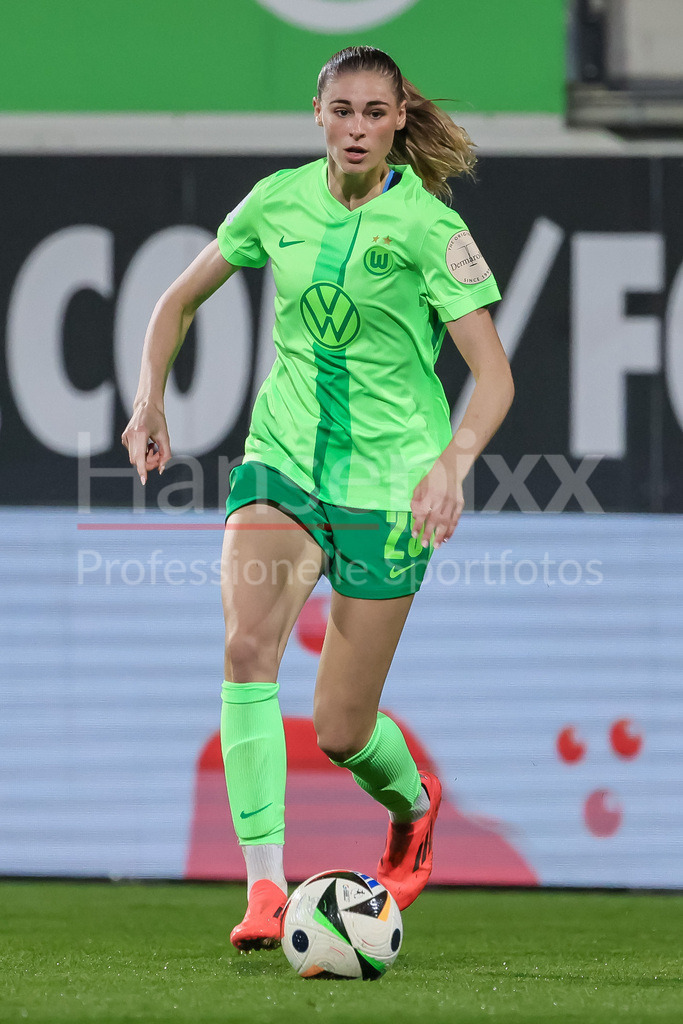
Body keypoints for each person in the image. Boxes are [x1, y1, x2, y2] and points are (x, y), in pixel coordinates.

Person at [122, 45, 514, 951]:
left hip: (389, 487)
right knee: (245, 647)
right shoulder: (277, 201)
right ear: (318, 113)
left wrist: (450, 464)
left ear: (398, 120)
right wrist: (149, 399)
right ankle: (265, 889)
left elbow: (493, 375)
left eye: (374, 113)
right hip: (283, 462)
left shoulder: (428, 228)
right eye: (342, 111)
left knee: (340, 730)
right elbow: (176, 301)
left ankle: (412, 807)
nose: (356, 129)